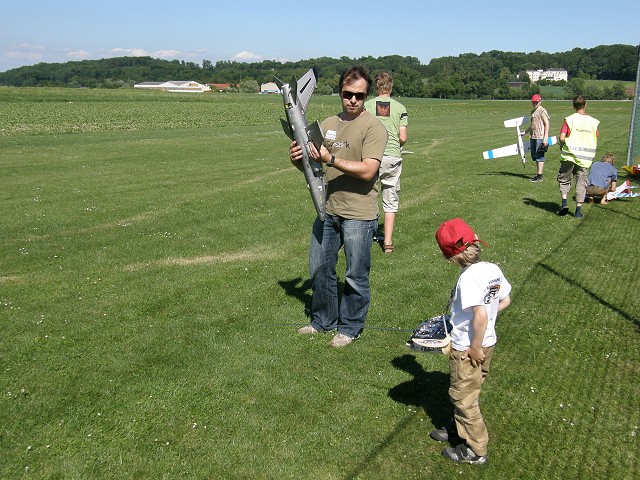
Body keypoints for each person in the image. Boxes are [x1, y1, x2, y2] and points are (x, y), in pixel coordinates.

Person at [288, 66, 388, 348]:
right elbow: (313, 164)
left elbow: (369, 171)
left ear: (366, 96)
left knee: (355, 274)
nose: (353, 100)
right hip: (327, 209)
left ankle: (350, 328)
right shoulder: (328, 124)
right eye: (348, 94)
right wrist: (298, 158)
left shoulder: (374, 128)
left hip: (359, 213)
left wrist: (330, 158)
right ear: (341, 92)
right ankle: (323, 320)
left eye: (359, 95)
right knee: (320, 269)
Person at [430, 218, 511, 465]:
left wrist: (474, 347)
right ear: (475, 239)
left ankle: (476, 450)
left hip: (468, 349)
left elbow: (481, 314)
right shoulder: (491, 269)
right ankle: (458, 428)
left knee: (463, 398)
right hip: (487, 342)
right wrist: (484, 334)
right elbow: (504, 301)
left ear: (448, 256)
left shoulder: (468, 278)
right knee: (468, 390)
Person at [364, 71, 408, 252]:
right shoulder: (400, 108)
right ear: (391, 86)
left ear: (376, 86)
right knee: (390, 198)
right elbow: (403, 137)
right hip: (392, 156)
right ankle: (388, 243)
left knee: (366, 196)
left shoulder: (367, 105)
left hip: (371, 155)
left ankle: (360, 237)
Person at [557, 95, 600, 218]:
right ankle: (578, 211)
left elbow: (561, 137)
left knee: (564, 179)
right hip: (584, 159)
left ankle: (564, 202)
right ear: (585, 105)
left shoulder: (569, 120)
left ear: (573, 106)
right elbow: (595, 136)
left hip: (569, 156)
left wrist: (563, 144)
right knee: (581, 183)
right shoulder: (593, 122)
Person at [523, 93, 550, 182]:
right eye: (534, 102)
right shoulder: (533, 112)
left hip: (540, 136)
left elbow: (547, 123)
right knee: (534, 156)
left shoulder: (542, 111)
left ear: (540, 102)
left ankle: (539, 176)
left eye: (537, 102)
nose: (535, 104)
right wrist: (525, 132)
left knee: (539, 156)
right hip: (533, 136)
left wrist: (545, 137)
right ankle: (538, 175)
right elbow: (532, 125)